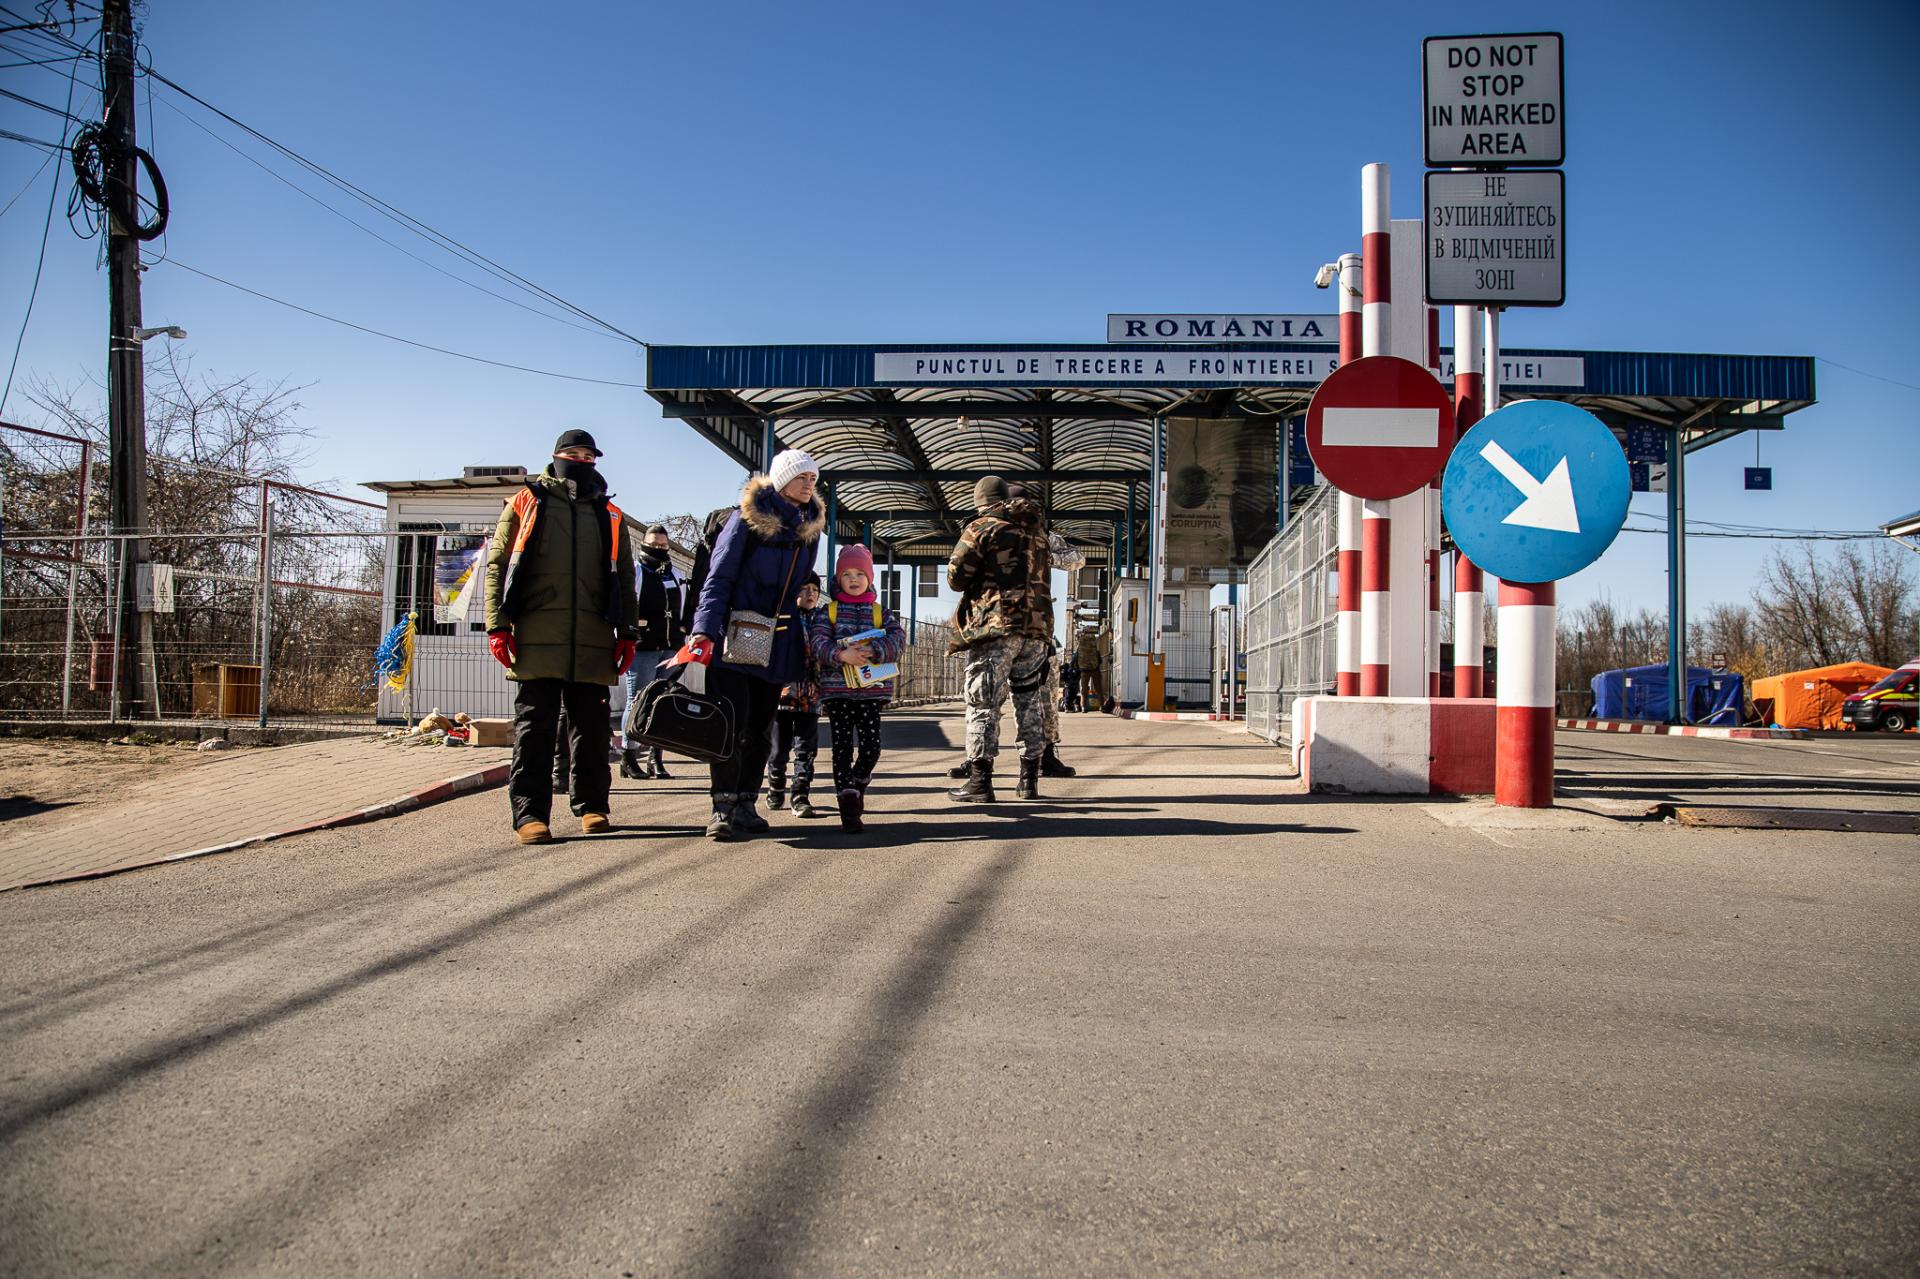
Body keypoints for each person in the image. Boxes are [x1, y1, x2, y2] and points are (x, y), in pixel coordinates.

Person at [484, 429, 639, 845]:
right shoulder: (525, 502)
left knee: (590, 728)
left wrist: (627, 632)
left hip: (592, 635)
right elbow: (497, 565)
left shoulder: (609, 515)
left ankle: (592, 806)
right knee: (534, 728)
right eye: (572, 453)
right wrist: (496, 624)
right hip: (536, 632)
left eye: (588, 455)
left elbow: (625, 578)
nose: (580, 460)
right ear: (554, 457)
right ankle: (530, 815)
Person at [686, 449, 825, 840]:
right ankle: (723, 807)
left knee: (762, 727)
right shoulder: (744, 521)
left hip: (777, 640)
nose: (809, 484)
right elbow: (719, 577)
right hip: (735, 635)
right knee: (730, 723)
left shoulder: (808, 530)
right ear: (781, 481)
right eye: (802, 477)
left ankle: (747, 803)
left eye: (813, 479)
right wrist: (703, 629)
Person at [945, 476, 1051, 802]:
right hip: (1037, 630)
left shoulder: (983, 528)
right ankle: (1028, 779)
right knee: (1029, 702)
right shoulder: (1038, 534)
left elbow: (955, 578)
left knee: (983, 702)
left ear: (981, 501)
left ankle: (979, 781)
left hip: (996, 628)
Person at [808, 543, 907, 832]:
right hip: (838, 691)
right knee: (841, 749)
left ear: (869, 578)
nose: (853, 579)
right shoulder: (828, 612)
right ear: (838, 579)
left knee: (871, 747)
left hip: (871, 693)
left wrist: (875, 650)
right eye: (846, 574)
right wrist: (840, 655)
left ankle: (859, 781)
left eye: (859, 573)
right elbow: (817, 643)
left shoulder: (881, 614)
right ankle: (848, 804)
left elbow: (898, 641)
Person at [619, 524, 686, 780]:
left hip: (670, 647)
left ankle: (655, 759)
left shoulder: (675, 573)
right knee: (638, 699)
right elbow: (628, 604)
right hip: (644, 646)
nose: (658, 548)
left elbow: (683, 607)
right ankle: (628, 755)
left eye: (662, 545)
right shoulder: (637, 572)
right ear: (644, 544)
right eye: (653, 544)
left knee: (663, 702)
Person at [767, 572, 825, 819]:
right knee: (779, 748)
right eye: (804, 588)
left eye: (814, 589)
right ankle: (775, 783)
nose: (810, 593)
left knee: (806, 750)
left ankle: (800, 795)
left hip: (811, 699)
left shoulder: (823, 621)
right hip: (782, 696)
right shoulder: (784, 617)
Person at [1076, 624, 1106, 711]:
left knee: (1084, 689)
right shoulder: (1094, 642)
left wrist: (1078, 667)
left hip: (1084, 670)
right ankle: (1102, 705)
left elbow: (1076, 656)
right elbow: (1099, 658)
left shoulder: (1081, 643)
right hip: (1095, 669)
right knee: (1098, 688)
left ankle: (1083, 706)